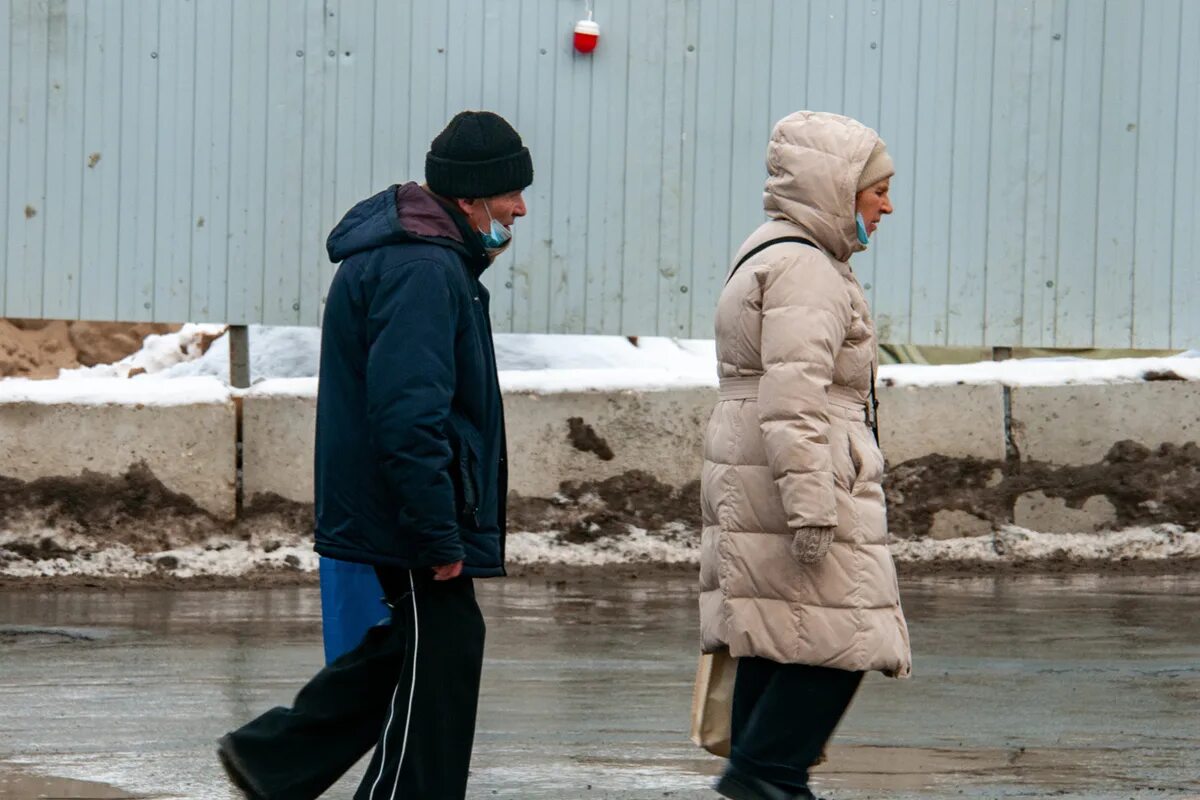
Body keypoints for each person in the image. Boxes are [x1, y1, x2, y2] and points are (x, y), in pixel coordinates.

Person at [217, 110, 532, 800]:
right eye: (511, 192)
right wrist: (437, 531)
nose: (520, 208)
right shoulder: (421, 268)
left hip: (403, 501)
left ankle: (274, 758)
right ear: (473, 195)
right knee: (442, 650)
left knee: (421, 644)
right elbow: (408, 415)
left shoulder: (425, 258)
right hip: (408, 508)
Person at [699, 110, 912, 800]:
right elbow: (795, 398)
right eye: (875, 188)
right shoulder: (807, 270)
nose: (886, 204)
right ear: (836, 186)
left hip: (764, 475)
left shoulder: (772, 253)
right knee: (843, 639)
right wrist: (814, 507)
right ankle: (763, 779)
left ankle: (766, 777)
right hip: (798, 481)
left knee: (783, 637)